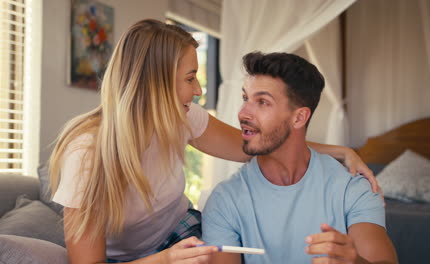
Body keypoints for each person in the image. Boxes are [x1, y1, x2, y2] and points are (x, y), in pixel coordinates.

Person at [48, 19, 379, 264]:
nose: (198, 91)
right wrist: (164, 260)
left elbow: (249, 144)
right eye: (190, 78)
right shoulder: (87, 155)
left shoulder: (181, 116)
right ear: (154, 84)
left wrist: (341, 151)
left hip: (181, 231)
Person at [202, 52, 398, 264]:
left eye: (262, 102)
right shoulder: (225, 199)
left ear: (299, 117)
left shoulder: (352, 188)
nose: (243, 113)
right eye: (245, 98)